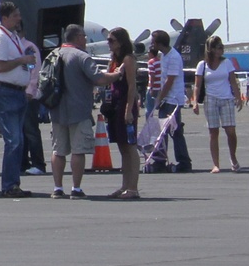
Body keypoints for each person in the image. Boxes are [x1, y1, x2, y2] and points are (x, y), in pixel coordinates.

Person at [0, 1, 39, 197]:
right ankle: (9, 185)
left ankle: (13, 183)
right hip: (6, 92)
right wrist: (21, 61)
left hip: (17, 92)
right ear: (5, 18)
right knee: (14, 140)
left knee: (19, 140)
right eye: (15, 15)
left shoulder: (13, 37)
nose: (19, 18)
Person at [47, 24, 99, 198]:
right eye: (83, 36)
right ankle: (76, 188)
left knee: (58, 151)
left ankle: (57, 187)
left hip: (56, 110)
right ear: (77, 37)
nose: (85, 39)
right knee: (78, 150)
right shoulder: (81, 56)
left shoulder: (53, 55)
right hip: (79, 110)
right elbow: (98, 77)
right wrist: (117, 74)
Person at [98, 27, 141, 199]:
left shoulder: (128, 59)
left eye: (111, 40)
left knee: (130, 146)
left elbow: (132, 87)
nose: (108, 43)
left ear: (121, 42)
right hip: (114, 103)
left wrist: (129, 110)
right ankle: (125, 185)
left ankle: (133, 187)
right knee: (122, 146)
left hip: (125, 103)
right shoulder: (114, 60)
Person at [191, 36, 244, 171]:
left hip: (226, 98)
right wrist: (195, 101)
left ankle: (233, 157)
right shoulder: (202, 65)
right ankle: (216, 164)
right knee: (213, 132)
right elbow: (197, 85)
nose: (221, 50)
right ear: (211, 49)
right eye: (218, 47)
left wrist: (238, 97)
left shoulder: (227, 63)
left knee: (230, 130)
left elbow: (233, 81)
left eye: (221, 47)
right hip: (210, 99)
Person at [144, 29, 193, 172]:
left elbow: (170, 81)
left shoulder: (173, 57)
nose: (151, 45)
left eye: (153, 42)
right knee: (161, 132)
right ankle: (159, 160)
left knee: (175, 131)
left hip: (172, 100)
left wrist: (159, 97)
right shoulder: (164, 56)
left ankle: (184, 162)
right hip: (166, 99)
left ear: (159, 43)